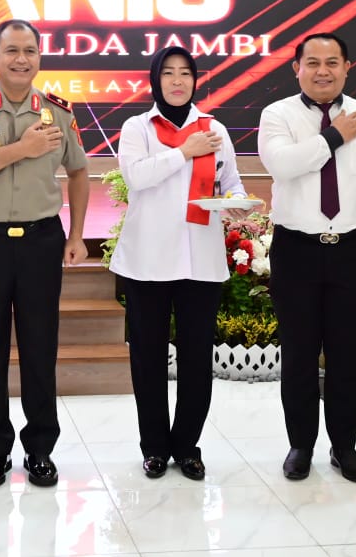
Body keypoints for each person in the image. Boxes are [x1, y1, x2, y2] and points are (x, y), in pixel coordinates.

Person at [0, 19, 90, 489]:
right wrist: (21, 149)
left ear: (39, 58)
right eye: (11, 50)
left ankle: (40, 449)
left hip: (40, 240)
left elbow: (79, 172)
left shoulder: (58, 112)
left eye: (29, 50)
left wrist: (77, 234)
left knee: (39, 346)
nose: (21, 59)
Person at [258, 32, 356, 484]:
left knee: (346, 356)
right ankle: (300, 446)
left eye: (332, 62)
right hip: (297, 250)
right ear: (297, 68)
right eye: (312, 62)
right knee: (299, 356)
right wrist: (335, 135)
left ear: (347, 67)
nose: (322, 71)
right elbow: (282, 165)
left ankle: (345, 447)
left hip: (352, 250)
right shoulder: (277, 115)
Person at [109, 46, 245, 481]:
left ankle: (187, 447)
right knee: (147, 358)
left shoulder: (214, 129)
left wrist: (237, 203)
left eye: (185, 73)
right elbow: (137, 177)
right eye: (168, 73)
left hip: (200, 261)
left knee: (196, 360)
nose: (177, 81)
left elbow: (231, 182)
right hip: (147, 260)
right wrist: (185, 151)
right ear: (155, 80)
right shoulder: (137, 127)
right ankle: (153, 448)